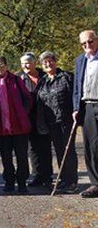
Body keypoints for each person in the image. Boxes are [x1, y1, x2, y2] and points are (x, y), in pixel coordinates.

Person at [0, 56, 32, 193]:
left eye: (1, 65)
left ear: (6, 65)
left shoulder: (16, 80)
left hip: (19, 125)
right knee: (6, 157)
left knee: (22, 156)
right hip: (2, 126)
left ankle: (22, 182)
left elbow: (28, 98)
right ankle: (9, 182)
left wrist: (23, 113)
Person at [36, 51, 78, 193]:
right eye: (44, 62)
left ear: (55, 61)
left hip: (66, 119)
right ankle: (64, 179)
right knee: (59, 151)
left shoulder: (66, 77)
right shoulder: (43, 81)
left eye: (50, 61)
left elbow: (75, 96)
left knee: (68, 150)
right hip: (51, 121)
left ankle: (72, 181)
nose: (48, 64)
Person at [17, 52, 52, 188]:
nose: (26, 65)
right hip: (28, 115)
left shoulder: (44, 76)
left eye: (28, 62)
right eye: (23, 63)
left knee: (45, 146)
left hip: (45, 114)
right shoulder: (19, 78)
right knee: (33, 148)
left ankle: (47, 176)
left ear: (34, 63)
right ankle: (37, 175)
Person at [73, 30, 98, 198]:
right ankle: (95, 183)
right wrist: (76, 108)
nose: (87, 46)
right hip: (88, 105)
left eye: (90, 41)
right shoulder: (80, 60)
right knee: (90, 146)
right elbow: (77, 86)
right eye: (84, 44)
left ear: (96, 40)